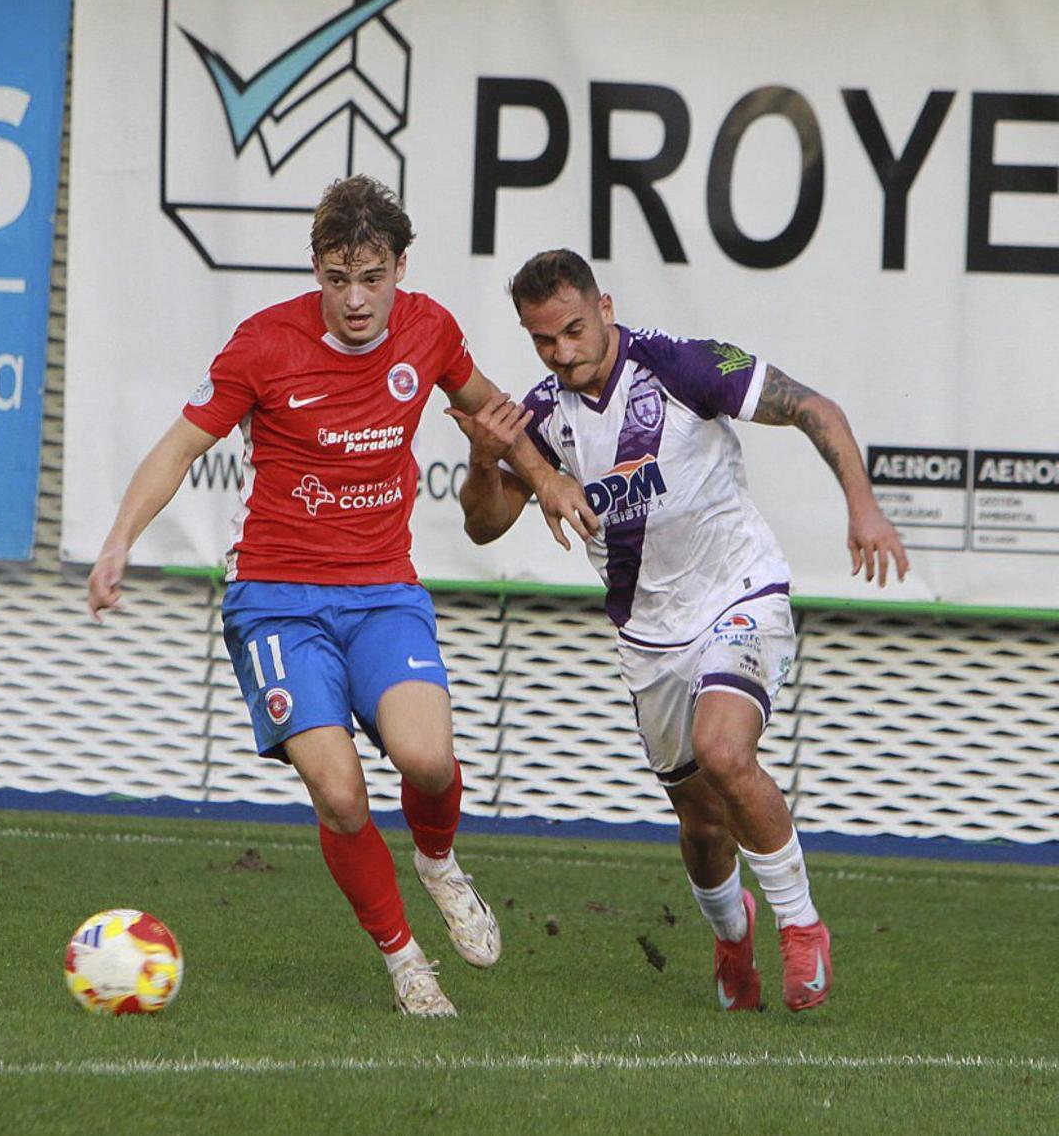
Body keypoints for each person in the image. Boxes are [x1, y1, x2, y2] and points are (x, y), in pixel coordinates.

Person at [86, 179, 591, 1017]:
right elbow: (179, 448)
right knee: (343, 794)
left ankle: (436, 863)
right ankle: (403, 960)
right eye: (336, 278)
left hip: (383, 593)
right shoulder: (263, 345)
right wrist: (118, 540)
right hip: (278, 600)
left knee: (428, 761)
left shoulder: (429, 329)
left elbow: (490, 413)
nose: (356, 301)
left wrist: (544, 479)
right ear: (316, 270)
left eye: (373, 277)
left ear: (400, 266)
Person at [450, 248, 909, 1013]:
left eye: (571, 329)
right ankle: (734, 941)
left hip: (740, 592)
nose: (562, 353)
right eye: (542, 341)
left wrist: (862, 507)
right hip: (649, 639)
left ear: (605, 304)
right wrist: (481, 458)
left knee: (724, 750)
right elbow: (485, 526)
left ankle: (802, 928)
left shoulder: (682, 365)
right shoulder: (540, 416)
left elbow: (813, 408)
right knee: (700, 824)